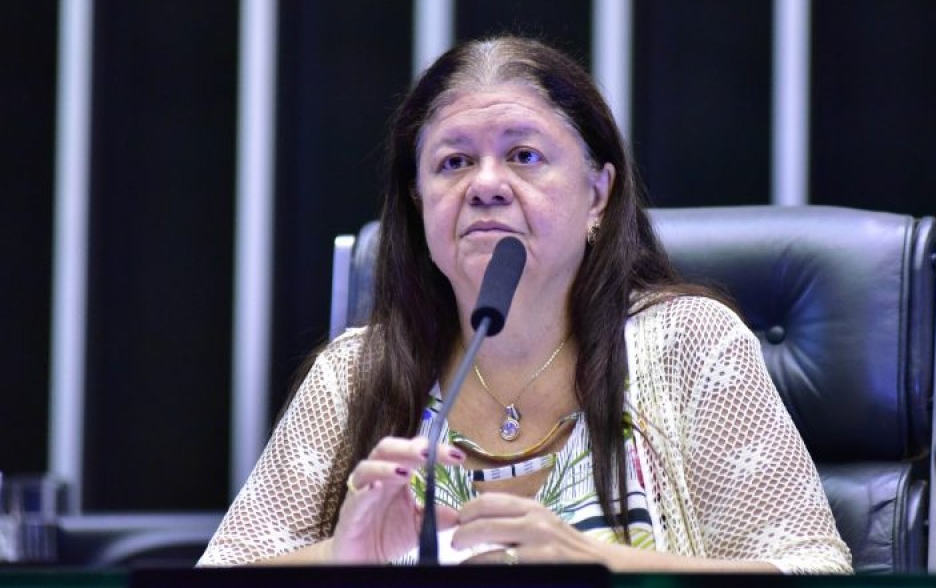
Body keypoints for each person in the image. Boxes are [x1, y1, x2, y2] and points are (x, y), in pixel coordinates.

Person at [198, 36, 852, 573]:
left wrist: (601, 563)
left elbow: (815, 567)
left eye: (524, 155)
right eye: (454, 162)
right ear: (420, 203)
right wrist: (339, 560)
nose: (486, 185)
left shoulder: (690, 347)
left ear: (598, 194)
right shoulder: (354, 375)